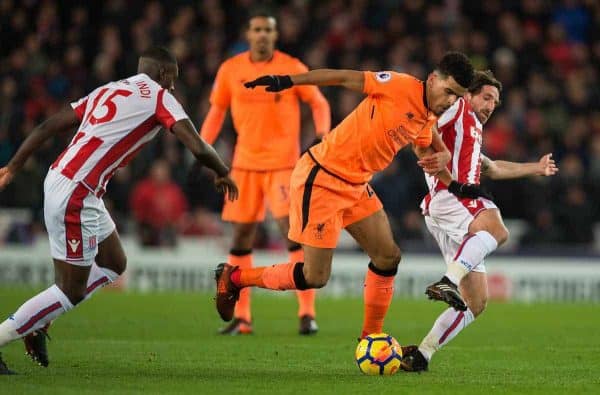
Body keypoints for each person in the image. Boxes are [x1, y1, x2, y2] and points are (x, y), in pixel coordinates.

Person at [214, 51, 491, 341]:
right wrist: (288, 80)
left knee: (388, 256)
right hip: (322, 178)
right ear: (433, 79)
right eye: (447, 91)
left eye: (456, 97)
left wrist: (453, 181)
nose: (449, 101)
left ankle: (370, 338)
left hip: (356, 185)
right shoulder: (398, 85)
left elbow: (423, 144)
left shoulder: (427, 114)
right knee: (315, 277)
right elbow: (343, 76)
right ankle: (233, 279)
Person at [0, 46, 238, 375]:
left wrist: (12, 167)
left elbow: (48, 127)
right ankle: (7, 335)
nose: (174, 87)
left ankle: (40, 321)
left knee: (114, 262)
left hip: (63, 179)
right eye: (175, 80)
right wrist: (224, 171)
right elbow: (197, 145)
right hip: (77, 193)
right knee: (70, 289)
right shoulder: (159, 96)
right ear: (166, 75)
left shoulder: (109, 88)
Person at [401, 70, 558, 372]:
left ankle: (422, 355)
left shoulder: (471, 132)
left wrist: (535, 168)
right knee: (497, 228)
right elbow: (423, 128)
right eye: (486, 97)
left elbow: (494, 167)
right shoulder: (457, 109)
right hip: (453, 198)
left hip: (447, 213)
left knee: (476, 302)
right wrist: (429, 150)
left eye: (496, 103)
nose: (490, 106)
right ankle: (448, 281)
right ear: (468, 94)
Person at [200, 9, 331, 335]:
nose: (261, 35)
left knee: (292, 232)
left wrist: (321, 135)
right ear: (248, 34)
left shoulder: (290, 67)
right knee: (242, 237)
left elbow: (319, 102)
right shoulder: (231, 69)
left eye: (267, 30)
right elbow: (217, 111)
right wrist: (201, 149)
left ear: (275, 36)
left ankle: (306, 314)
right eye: (256, 29)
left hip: (283, 165)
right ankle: (242, 318)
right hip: (244, 166)